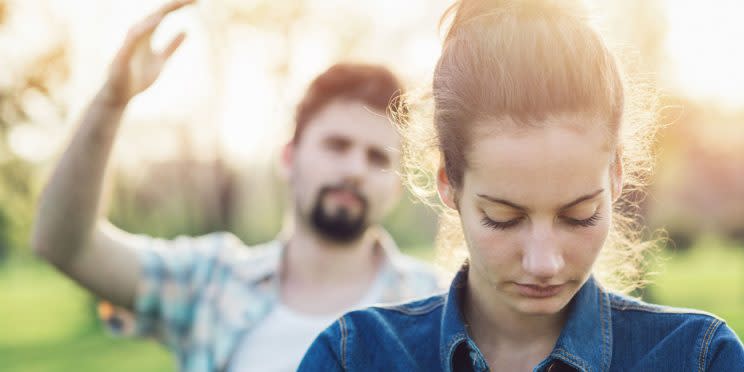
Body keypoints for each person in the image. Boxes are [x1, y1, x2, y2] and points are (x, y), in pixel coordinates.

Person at [298, 0, 744, 371]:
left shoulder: (699, 357)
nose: (544, 262)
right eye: (503, 219)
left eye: (579, 215)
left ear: (616, 176)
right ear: (448, 185)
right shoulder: (354, 356)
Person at [30, 1, 442, 371]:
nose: (355, 169)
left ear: (398, 187)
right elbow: (66, 245)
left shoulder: (438, 308)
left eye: (377, 157)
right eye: (337, 145)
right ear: (289, 157)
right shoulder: (210, 283)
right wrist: (112, 101)